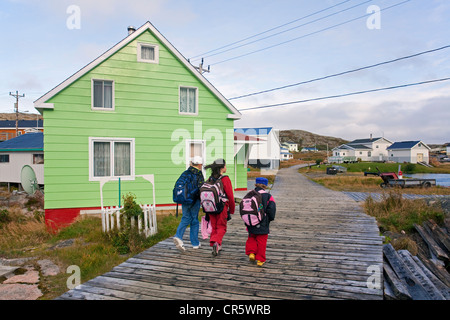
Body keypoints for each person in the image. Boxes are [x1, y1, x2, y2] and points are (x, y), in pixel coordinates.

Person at [173, 156, 205, 251]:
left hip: (184, 199)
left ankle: (178, 236)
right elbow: (201, 188)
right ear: (200, 164)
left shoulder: (185, 173)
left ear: (192, 163)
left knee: (185, 217)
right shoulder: (199, 174)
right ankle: (195, 243)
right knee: (194, 220)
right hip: (194, 200)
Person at [204, 158, 234, 256]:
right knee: (221, 226)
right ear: (221, 168)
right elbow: (230, 195)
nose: (226, 167)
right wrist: (232, 209)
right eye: (225, 165)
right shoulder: (225, 179)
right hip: (222, 206)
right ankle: (216, 242)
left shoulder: (210, 179)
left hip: (210, 207)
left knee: (214, 226)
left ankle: (215, 244)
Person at [245, 177, 276, 267]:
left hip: (250, 221)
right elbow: (271, 209)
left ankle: (251, 252)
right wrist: (270, 219)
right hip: (263, 222)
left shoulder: (249, 194)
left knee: (252, 237)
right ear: (265, 186)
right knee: (262, 241)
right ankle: (260, 259)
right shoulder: (268, 196)